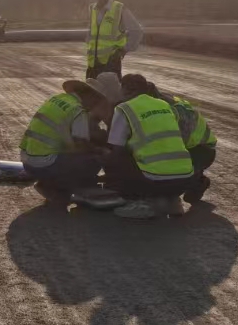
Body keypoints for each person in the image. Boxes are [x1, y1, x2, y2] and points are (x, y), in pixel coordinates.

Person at [104, 76, 195, 219]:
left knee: (114, 157)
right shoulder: (164, 105)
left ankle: (140, 202)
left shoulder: (124, 108)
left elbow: (116, 147)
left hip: (155, 181)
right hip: (185, 179)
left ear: (124, 89)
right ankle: (172, 200)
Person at [20, 72, 123, 194]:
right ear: (91, 97)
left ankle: (48, 182)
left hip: (28, 164)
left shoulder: (58, 99)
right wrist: (101, 151)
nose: (93, 106)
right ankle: (75, 188)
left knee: (79, 153)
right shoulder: (78, 111)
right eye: (95, 102)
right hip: (45, 166)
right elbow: (81, 146)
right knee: (94, 160)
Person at [123, 73, 217, 205]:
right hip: (191, 147)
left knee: (167, 182)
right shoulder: (156, 103)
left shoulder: (168, 110)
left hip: (201, 150)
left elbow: (173, 145)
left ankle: (196, 181)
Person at [86, 0, 143, 79]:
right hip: (92, 65)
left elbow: (137, 31)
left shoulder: (118, 9)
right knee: (90, 89)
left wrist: (124, 49)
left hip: (110, 65)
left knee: (111, 89)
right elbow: (91, 35)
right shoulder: (92, 9)